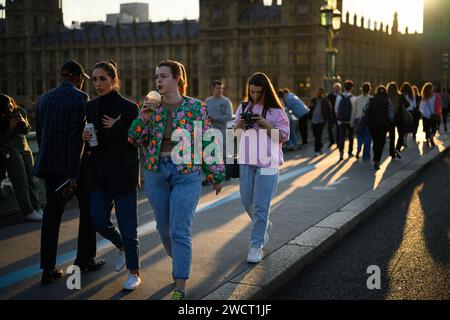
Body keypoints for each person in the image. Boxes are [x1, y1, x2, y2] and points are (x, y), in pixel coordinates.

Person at [128, 60, 225, 300]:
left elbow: (207, 141)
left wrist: (216, 173)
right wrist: (144, 117)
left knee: (179, 230)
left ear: (177, 79)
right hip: (156, 172)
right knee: (164, 230)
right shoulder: (151, 107)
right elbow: (134, 139)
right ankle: (180, 259)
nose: (158, 81)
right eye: (156, 76)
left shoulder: (195, 107)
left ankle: (179, 286)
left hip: (186, 172)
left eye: (163, 76)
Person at [33, 60, 105, 285]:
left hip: (49, 167)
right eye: (83, 79)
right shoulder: (79, 97)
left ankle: (48, 269)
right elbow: (76, 139)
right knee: (88, 211)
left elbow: (41, 133)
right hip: (74, 169)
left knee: (51, 218)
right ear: (76, 77)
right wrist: (72, 175)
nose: (84, 83)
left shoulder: (43, 98)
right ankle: (84, 259)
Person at [82, 60, 141, 291]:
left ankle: (135, 272)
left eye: (103, 79)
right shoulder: (91, 107)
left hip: (123, 173)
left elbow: (137, 141)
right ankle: (122, 247)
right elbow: (93, 143)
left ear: (114, 81)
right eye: (95, 79)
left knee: (129, 227)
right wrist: (87, 140)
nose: (98, 83)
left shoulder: (129, 108)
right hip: (99, 173)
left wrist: (118, 126)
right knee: (98, 220)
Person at [233, 72, 289, 264]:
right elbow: (236, 133)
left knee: (260, 206)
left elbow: (282, 137)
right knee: (246, 201)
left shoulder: (277, 111)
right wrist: (242, 120)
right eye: (252, 91)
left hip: (268, 163)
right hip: (247, 161)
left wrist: (264, 123)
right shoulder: (243, 106)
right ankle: (263, 224)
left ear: (266, 90)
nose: (254, 95)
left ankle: (256, 245)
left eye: (258, 92)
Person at [0, 94, 43, 221]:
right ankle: (28, 211)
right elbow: (3, 139)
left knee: (32, 180)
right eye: (7, 106)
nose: (10, 107)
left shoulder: (20, 111)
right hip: (11, 151)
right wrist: (10, 127)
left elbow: (26, 131)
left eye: (11, 104)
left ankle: (37, 208)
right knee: (21, 183)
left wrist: (23, 122)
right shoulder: (2, 119)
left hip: (25, 150)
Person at [202, 80, 233, 184]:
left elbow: (229, 116)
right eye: (217, 88)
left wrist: (215, 118)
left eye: (221, 88)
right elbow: (203, 114)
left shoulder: (226, 101)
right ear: (212, 88)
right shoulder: (207, 101)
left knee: (224, 153)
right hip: (210, 132)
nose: (220, 90)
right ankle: (210, 177)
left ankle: (227, 174)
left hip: (222, 131)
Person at [365, 85, 393, 170]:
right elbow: (391, 113)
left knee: (375, 141)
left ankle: (375, 155)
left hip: (372, 124)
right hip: (383, 125)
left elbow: (364, 109)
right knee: (381, 142)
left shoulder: (371, 100)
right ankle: (377, 160)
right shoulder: (388, 100)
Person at [335, 80, 357, 161]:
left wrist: (338, 120)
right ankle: (350, 152)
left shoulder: (339, 97)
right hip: (350, 121)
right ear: (352, 88)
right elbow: (354, 111)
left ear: (344, 87)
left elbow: (336, 110)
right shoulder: (354, 98)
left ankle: (341, 153)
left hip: (341, 121)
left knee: (342, 137)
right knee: (351, 137)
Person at [387, 81, 409, 158]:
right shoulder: (400, 96)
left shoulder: (387, 96)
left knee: (392, 136)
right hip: (400, 118)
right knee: (401, 134)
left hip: (390, 119)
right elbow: (408, 104)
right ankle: (397, 148)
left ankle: (391, 153)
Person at [308, 88, 333, 156]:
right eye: (318, 92)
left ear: (322, 93)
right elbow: (309, 107)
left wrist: (330, 121)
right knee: (315, 135)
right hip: (313, 120)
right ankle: (320, 145)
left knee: (318, 135)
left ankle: (317, 150)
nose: (319, 94)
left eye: (320, 93)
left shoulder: (325, 101)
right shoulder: (313, 100)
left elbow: (329, 111)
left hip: (321, 121)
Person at [419, 82, 443, 147]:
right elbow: (439, 105)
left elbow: (421, 107)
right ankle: (431, 138)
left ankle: (427, 139)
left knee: (426, 129)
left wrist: (422, 113)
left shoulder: (424, 97)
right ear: (431, 88)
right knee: (433, 129)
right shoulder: (436, 96)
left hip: (425, 116)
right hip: (433, 115)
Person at [354, 82, 373, 160]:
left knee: (359, 135)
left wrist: (353, 121)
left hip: (358, 119)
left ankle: (359, 148)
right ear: (369, 89)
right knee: (367, 137)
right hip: (368, 120)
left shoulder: (357, 98)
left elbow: (354, 110)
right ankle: (366, 155)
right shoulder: (371, 99)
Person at [327, 83, 341, 148]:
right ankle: (332, 141)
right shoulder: (329, 96)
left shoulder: (341, 96)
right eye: (335, 88)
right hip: (331, 115)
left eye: (338, 88)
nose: (336, 89)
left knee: (338, 130)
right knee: (330, 129)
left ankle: (338, 143)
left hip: (339, 115)